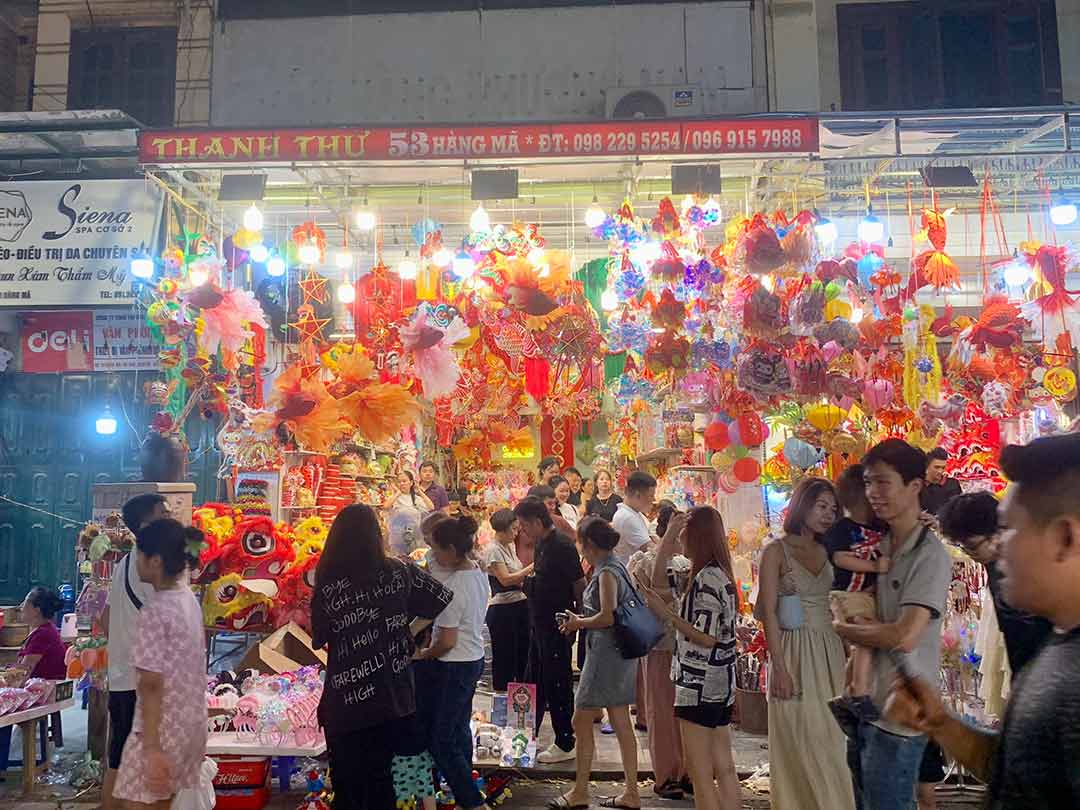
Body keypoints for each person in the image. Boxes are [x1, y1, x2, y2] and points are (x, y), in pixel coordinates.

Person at [884, 434, 1080, 809]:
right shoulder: (1057, 647)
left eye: (1008, 528)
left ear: (1063, 538)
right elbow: (1018, 772)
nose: (999, 547)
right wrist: (942, 724)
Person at [834, 439, 952, 810]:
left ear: (915, 486)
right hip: (866, 710)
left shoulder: (928, 554)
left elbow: (905, 634)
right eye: (868, 483)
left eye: (883, 482)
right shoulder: (879, 547)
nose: (873, 493)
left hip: (900, 717)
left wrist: (846, 629)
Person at [312, 505, 453, 809]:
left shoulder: (328, 581)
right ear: (376, 536)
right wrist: (406, 631)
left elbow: (320, 637)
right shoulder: (399, 571)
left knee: (348, 786)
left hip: (345, 701)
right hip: (391, 698)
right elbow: (441, 597)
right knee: (381, 784)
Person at [756, 477, 855, 810]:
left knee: (834, 742)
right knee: (801, 741)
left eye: (832, 508)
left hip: (831, 649)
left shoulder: (832, 550)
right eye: (820, 506)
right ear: (802, 505)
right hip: (793, 652)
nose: (828, 514)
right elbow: (767, 612)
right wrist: (779, 667)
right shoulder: (776, 550)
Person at [642, 507, 741, 810]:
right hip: (720, 683)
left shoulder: (706, 579)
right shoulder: (711, 573)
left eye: (684, 532)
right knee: (723, 766)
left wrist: (668, 615)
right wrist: (669, 534)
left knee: (700, 772)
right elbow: (659, 580)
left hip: (699, 683)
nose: (681, 538)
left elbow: (705, 636)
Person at [113, 519, 207, 809]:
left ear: (154, 561)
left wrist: (152, 747)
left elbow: (151, 683)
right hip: (190, 725)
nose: (135, 561)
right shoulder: (188, 600)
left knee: (141, 804)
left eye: (138, 554)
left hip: (159, 729)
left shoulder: (156, 610)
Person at [552, 518, 642, 810]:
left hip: (605, 655)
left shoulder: (607, 573)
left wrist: (578, 623)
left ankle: (581, 791)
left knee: (581, 719)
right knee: (620, 722)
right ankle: (630, 791)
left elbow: (607, 617)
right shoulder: (617, 567)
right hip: (617, 654)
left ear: (588, 544)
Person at [415, 517, 491, 810]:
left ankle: (471, 801)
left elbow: (446, 641)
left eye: (435, 548)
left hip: (453, 664)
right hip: (473, 658)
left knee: (441, 740)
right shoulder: (476, 573)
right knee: (458, 730)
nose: (432, 554)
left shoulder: (453, 589)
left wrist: (424, 654)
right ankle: (467, 786)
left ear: (451, 549)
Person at [102, 493, 171, 810]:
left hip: (122, 675)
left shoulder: (125, 563)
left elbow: (105, 619)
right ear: (147, 523)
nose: (170, 517)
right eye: (163, 512)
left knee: (119, 754)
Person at [938, 491, 1053, 673]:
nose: (968, 553)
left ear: (997, 534)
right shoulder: (994, 564)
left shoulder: (1027, 568)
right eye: (961, 546)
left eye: (972, 545)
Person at [514, 497, 585, 764]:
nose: (522, 531)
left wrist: (576, 621)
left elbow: (579, 584)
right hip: (538, 623)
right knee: (534, 681)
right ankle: (525, 733)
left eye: (523, 525)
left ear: (536, 521)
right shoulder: (542, 543)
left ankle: (565, 741)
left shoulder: (562, 546)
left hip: (557, 625)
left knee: (558, 683)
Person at [629, 504, 689, 800]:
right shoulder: (645, 561)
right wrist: (669, 543)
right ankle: (667, 774)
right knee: (662, 711)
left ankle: (690, 770)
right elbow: (656, 591)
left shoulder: (691, 560)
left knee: (687, 711)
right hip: (660, 646)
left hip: (690, 647)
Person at [824, 464, 890, 721]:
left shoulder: (882, 528)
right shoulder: (842, 529)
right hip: (847, 595)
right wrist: (875, 566)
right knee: (865, 637)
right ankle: (859, 694)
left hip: (868, 595)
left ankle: (849, 693)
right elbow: (840, 559)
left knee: (861, 645)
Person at [0, 588, 68, 777]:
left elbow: (22, 672)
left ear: (36, 609)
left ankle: (1, 765)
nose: (21, 607)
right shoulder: (42, 631)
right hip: (38, 688)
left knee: (3, 706)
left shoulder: (43, 634)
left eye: (26, 603)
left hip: (41, 691)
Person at [484, 509, 534, 692]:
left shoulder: (510, 547)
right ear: (501, 530)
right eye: (513, 530)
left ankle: (522, 700)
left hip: (519, 604)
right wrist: (531, 568)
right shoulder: (493, 550)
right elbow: (505, 579)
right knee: (505, 657)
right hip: (503, 609)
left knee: (523, 655)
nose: (516, 533)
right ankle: (502, 699)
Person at [385, 470, 435, 557]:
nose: (402, 484)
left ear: (411, 482)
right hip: (398, 539)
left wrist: (419, 492)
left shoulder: (416, 498)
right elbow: (386, 506)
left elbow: (431, 507)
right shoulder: (394, 497)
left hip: (415, 538)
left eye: (404, 481)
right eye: (399, 482)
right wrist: (398, 493)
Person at [611, 471, 656, 564]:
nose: (653, 499)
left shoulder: (635, 513)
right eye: (651, 496)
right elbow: (652, 550)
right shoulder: (627, 517)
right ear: (638, 494)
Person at [919, 448, 961, 516]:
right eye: (937, 467)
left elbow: (957, 511)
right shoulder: (918, 485)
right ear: (927, 467)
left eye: (943, 467)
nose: (940, 471)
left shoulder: (953, 485)